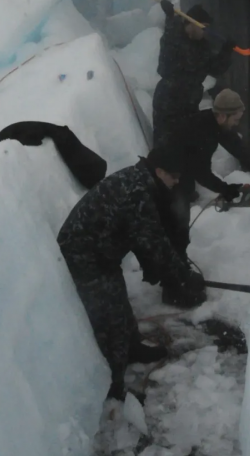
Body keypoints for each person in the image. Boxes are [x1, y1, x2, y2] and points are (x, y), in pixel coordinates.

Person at [57, 143, 207, 401]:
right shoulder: (138, 192)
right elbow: (153, 241)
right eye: (174, 176)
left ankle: (134, 348)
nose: (177, 181)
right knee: (110, 316)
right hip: (84, 253)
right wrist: (182, 275)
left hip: (102, 249)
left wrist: (162, 267)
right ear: (160, 171)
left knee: (121, 304)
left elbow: (139, 235)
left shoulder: (141, 179)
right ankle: (114, 384)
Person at [157, 89, 250, 285]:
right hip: (165, 177)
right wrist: (225, 189)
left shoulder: (218, 126)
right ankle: (175, 280)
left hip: (181, 172)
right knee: (177, 225)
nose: (236, 124)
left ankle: (177, 271)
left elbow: (239, 149)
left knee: (179, 225)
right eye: (234, 119)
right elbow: (201, 173)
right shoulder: (200, 131)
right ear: (221, 115)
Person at [152, 0, 235, 145]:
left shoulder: (202, 47)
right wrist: (170, 17)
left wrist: (226, 52)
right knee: (165, 146)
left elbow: (216, 68)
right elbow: (169, 46)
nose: (205, 31)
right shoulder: (175, 37)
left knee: (187, 146)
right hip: (169, 103)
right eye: (204, 27)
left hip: (189, 105)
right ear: (191, 23)